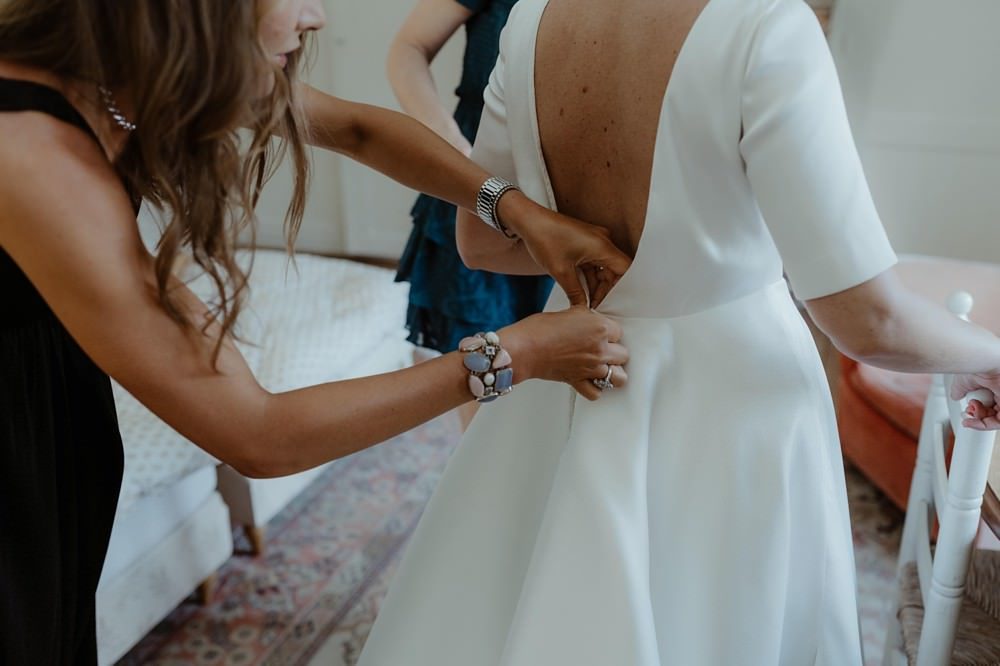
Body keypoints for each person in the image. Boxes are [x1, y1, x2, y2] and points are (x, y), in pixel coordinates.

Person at [356, 0, 1000, 663]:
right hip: (735, 404)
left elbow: (480, 244)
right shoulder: (766, 26)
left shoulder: (530, 21)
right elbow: (869, 319)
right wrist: (991, 355)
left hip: (573, 363)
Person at [0, 0, 634, 663]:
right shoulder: (30, 148)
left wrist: (517, 211)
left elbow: (357, 130)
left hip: (51, 419)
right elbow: (260, 434)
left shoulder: (121, 76)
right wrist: (517, 353)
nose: (318, 16)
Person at [387, 0, 554, 429]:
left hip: (577, 188)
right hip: (477, 181)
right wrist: (456, 155)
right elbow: (409, 48)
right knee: (484, 381)